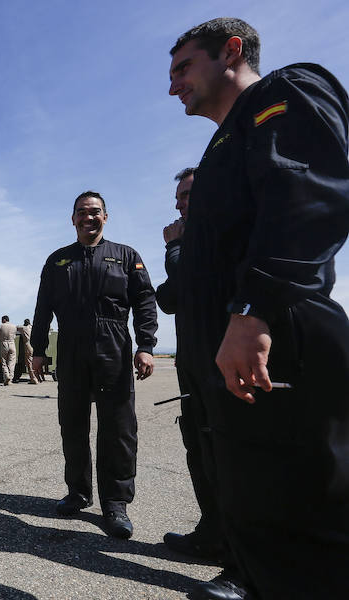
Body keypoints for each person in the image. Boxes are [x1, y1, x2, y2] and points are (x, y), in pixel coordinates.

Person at [168, 17, 349, 600]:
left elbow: (305, 196)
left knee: (302, 514)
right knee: (258, 503)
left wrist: (253, 309)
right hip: (231, 350)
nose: (173, 87)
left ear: (231, 51)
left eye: (183, 68)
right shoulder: (223, 142)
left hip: (275, 336)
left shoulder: (283, 93)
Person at [31, 191, 157, 539]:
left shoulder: (126, 256)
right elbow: (43, 308)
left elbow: (145, 302)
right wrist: (39, 349)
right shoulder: (58, 261)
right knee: (72, 424)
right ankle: (79, 492)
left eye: (95, 212)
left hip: (113, 346)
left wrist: (145, 345)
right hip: (71, 347)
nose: (89, 217)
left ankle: (115, 503)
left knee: (118, 428)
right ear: (72, 219)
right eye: (82, 212)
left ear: (106, 216)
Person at [157, 168, 242, 599]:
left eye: (187, 195)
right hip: (192, 364)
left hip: (223, 360)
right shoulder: (192, 243)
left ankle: (244, 567)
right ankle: (211, 534)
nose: (179, 204)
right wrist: (177, 256)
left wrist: (174, 246)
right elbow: (171, 298)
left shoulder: (222, 231)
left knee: (232, 463)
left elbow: (187, 281)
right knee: (200, 452)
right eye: (178, 197)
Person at [16, 318, 38, 384]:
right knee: (33, 362)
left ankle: (33, 379)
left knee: (29, 363)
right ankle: (36, 377)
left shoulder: (24, 328)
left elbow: (16, 328)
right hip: (34, 346)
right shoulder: (33, 328)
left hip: (28, 346)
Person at [0, 316, 17, 385]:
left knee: (4, 362)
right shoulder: (14, 326)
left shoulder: (1, 326)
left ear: (4, 320)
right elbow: (15, 336)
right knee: (11, 363)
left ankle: (6, 376)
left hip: (4, 344)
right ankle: (10, 378)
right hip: (12, 344)